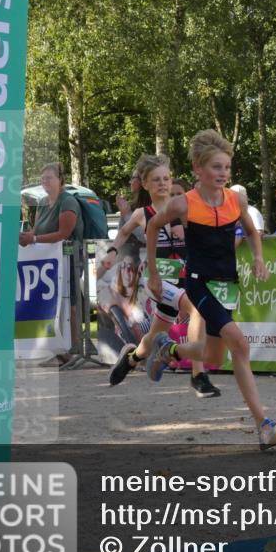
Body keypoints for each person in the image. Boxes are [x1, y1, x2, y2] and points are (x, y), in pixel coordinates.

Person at [146, 129, 276, 451]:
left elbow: (252, 232)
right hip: (197, 281)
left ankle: (167, 350)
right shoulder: (183, 204)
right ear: (198, 168)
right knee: (239, 344)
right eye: (216, 167)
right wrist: (153, 272)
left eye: (226, 167)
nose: (223, 173)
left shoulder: (236, 200)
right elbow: (152, 226)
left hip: (227, 284)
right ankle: (263, 425)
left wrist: (258, 259)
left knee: (214, 355)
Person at [99, 154, 218, 399]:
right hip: (158, 278)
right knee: (198, 310)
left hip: (186, 275)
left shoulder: (185, 207)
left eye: (166, 178)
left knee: (154, 334)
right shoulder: (142, 213)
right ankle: (198, 376)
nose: (163, 183)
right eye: (156, 180)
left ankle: (132, 358)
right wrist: (111, 252)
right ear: (145, 184)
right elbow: (123, 233)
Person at [19, 162, 84, 367]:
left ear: (60, 180)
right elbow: (38, 231)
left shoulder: (68, 202)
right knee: (50, 305)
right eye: (43, 178)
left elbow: (63, 234)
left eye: (49, 177)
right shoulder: (42, 203)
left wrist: (35, 240)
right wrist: (28, 237)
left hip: (69, 259)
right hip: (47, 261)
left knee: (70, 305)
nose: (44, 181)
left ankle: (74, 350)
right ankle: (56, 351)